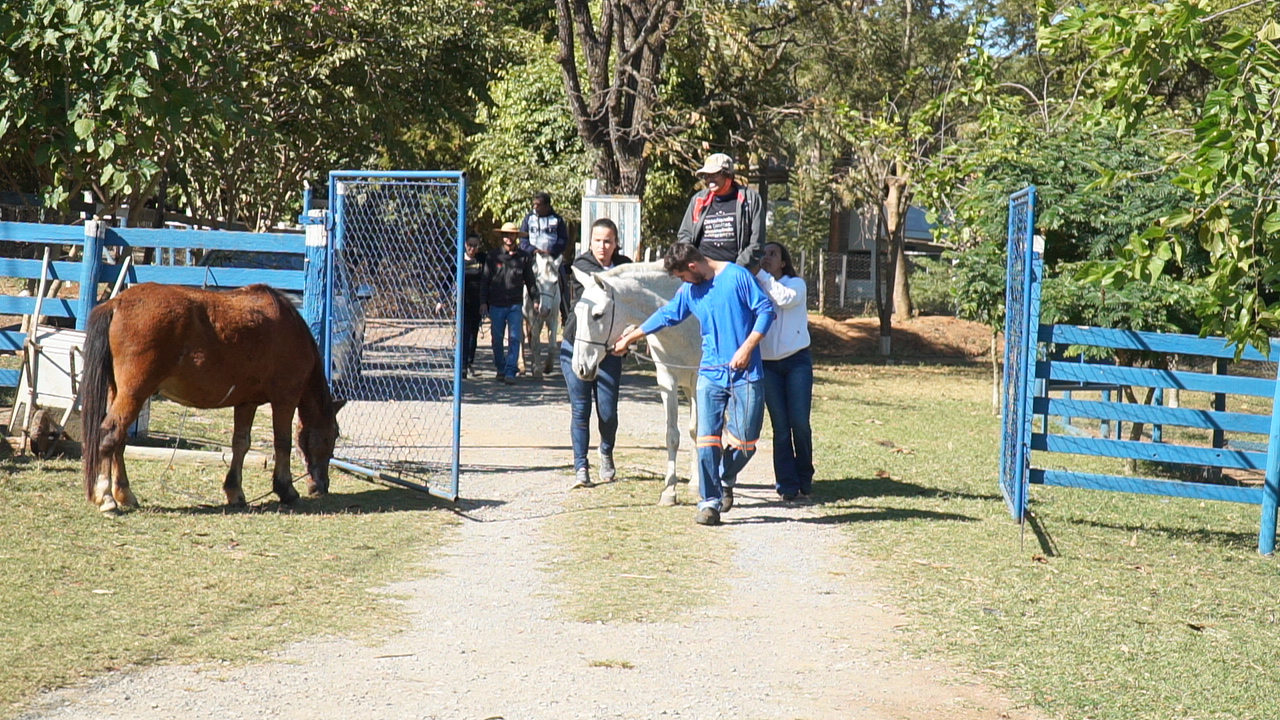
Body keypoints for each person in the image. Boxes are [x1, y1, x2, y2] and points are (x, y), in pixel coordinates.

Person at [612, 243, 775, 526]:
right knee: (707, 439)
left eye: (681, 276)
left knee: (746, 442)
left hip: (746, 373)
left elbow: (766, 311)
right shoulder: (690, 289)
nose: (681, 283)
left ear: (692, 267)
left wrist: (747, 348)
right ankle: (709, 503)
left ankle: (724, 475)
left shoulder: (737, 276)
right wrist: (630, 338)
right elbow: (668, 315)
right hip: (710, 373)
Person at [561, 218, 633, 489]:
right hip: (577, 344)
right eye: (597, 241)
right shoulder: (582, 265)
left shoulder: (625, 265)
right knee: (580, 409)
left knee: (607, 411)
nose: (602, 246)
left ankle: (605, 451)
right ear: (589, 242)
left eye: (608, 241)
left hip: (610, 350)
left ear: (615, 243)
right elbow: (607, 289)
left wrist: (628, 335)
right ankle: (581, 467)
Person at [756, 241, 814, 502]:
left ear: (783, 262)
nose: (766, 257)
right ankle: (787, 485)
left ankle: (805, 475)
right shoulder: (757, 286)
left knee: (799, 423)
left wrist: (760, 274)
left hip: (796, 362)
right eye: (763, 254)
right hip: (768, 365)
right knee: (780, 427)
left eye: (772, 254)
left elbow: (784, 298)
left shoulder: (796, 285)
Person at [677, 153, 765, 269]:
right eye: (706, 176)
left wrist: (736, 269)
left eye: (715, 174)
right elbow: (685, 234)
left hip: (737, 270)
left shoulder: (750, 199)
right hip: (702, 271)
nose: (709, 179)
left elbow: (756, 243)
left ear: (728, 175)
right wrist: (693, 262)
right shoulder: (699, 200)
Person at [481, 222, 538, 385]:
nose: (508, 237)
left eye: (511, 234)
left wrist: (535, 299)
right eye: (506, 234)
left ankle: (510, 371)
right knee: (497, 339)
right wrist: (483, 302)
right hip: (496, 304)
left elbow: (530, 280)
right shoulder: (493, 256)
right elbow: (485, 280)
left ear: (516, 237)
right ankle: (500, 367)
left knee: (515, 338)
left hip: (515, 304)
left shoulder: (524, 257)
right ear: (502, 237)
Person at [460, 232, 487, 378]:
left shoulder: (482, 259)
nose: (472, 249)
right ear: (465, 245)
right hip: (463, 302)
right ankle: (462, 365)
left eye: (476, 246)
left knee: (473, 334)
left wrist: (484, 302)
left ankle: (470, 362)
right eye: (470, 245)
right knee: (464, 333)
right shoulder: (458, 260)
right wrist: (441, 301)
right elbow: (447, 280)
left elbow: (487, 280)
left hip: (477, 303)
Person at [520, 192, 570, 258]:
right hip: (531, 257)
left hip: (553, 257)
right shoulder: (529, 218)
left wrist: (552, 250)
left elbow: (563, 239)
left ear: (547, 206)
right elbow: (523, 238)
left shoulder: (557, 219)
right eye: (534, 204)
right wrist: (532, 250)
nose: (535, 207)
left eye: (538, 205)